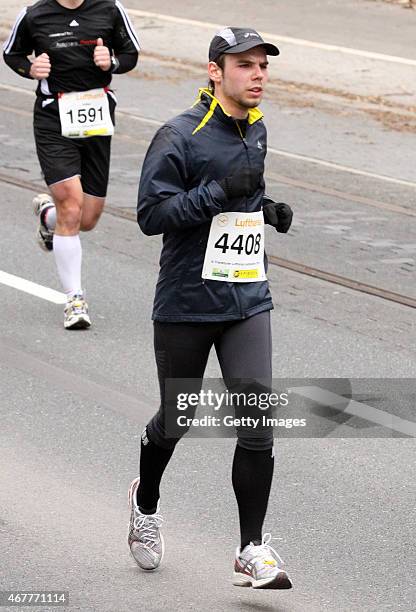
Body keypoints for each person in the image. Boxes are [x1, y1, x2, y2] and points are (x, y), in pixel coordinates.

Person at [130, 27, 294, 589]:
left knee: (257, 422)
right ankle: (145, 501)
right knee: (178, 419)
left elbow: (240, 195)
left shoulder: (259, 129)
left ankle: (252, 548)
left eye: (262, 66)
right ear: (214, 71)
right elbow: (151, 215)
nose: (257, 75)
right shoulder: (179, 135)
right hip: (186, 302)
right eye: (244, 65)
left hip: (247, 295)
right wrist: (219, 193)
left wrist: (264, 208)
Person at [3, 0, 140, 329]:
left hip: (96, 118)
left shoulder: (110, 9)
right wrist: (30, 69)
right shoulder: (34, 14)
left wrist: (113, 62)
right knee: (72, 202)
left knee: (87, 218)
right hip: (54, 117)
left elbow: (131, 54)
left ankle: (48, 216)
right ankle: (75, 300)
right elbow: (12, 54)